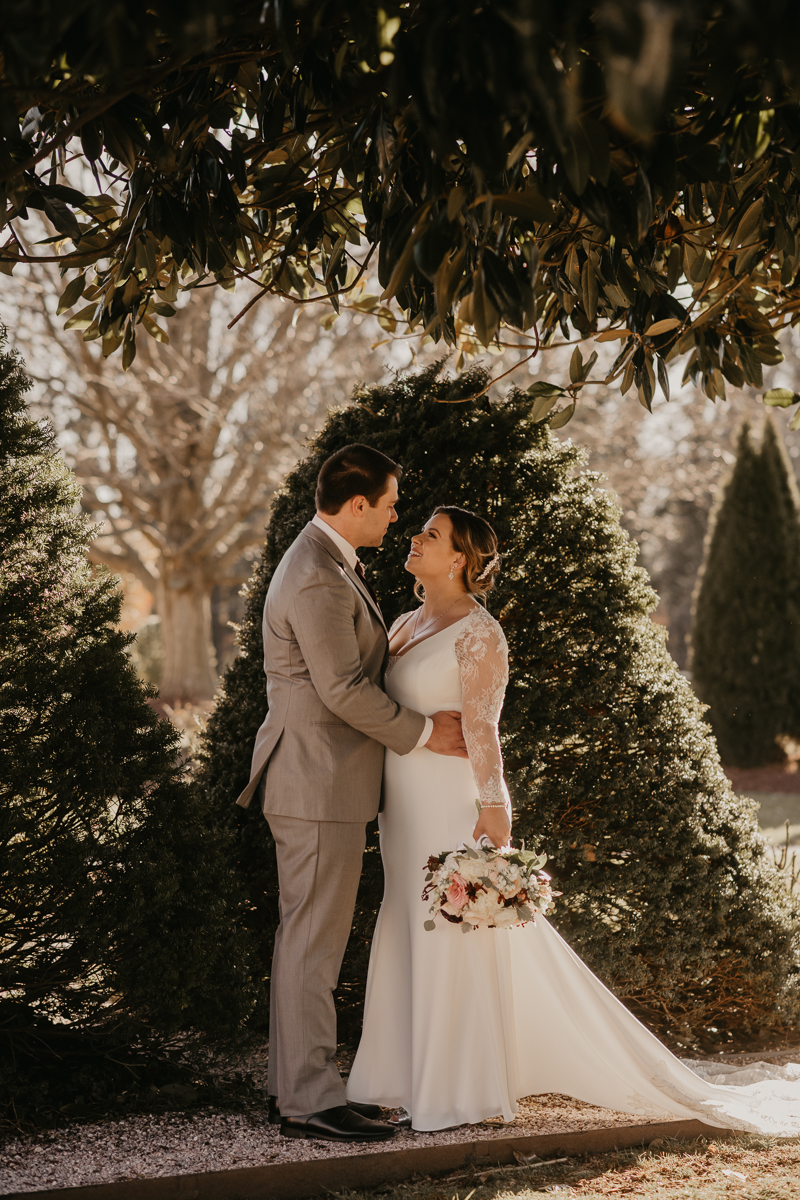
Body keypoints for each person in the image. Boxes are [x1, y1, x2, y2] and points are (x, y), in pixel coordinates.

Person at [346, 505, 800, 1136]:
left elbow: (483, 730)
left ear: (459, 559)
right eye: (419, 528)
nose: (415, 539)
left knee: (449, 930)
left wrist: (495, 805)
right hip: (401, 806)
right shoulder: (404, 622)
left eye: (431, 534)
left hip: (448, 801)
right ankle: (399, 1080)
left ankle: (456, 1090)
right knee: (405, 921)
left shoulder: (482, 635)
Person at [235, 445, 468, 1144]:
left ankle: (295, 1092)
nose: (398, 516)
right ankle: (310, 1103)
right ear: (358, 504)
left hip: (318, 779)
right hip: (317, 781)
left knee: (303, 940)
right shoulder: (317, 576)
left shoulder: (327, 560)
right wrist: (426, 732)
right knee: (313, 944)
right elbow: (340, 690)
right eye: (393, 504)